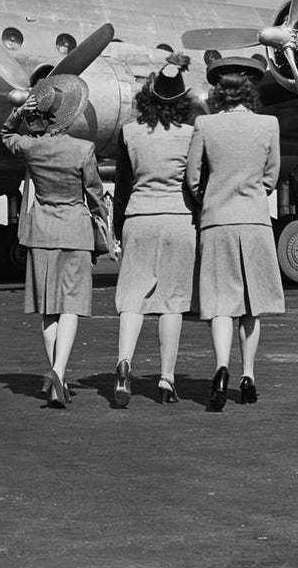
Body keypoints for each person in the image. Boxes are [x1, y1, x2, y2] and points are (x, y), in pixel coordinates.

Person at [0, 76, 110, 410]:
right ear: (65, 116)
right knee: (71, 306)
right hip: (74, 232)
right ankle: (59, 373)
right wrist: (105, 221)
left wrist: (20, 111)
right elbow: (95, 194)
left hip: (42, 233)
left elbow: (6, 135)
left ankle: (55, 380)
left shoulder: (31, 148)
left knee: (48, 309)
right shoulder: (82, 149)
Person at [185, 54, 284, 411]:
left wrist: (211, 198)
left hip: (216, 221)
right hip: (255, 221)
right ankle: (248, 376)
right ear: (251, 88)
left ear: (219, 91)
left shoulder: (205, 126)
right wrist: (255, 195)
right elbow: (272, 175)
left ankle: (221, 367)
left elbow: (194, 178)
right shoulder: (269, 124)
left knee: (220, 305)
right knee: (251, 306)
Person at [112, 53, 198, 407]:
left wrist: (119, 231)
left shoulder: (128, 134)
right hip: (179, 220)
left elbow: (122, 188)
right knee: (172, 303)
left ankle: (123, 365)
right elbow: (196, 183)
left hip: (138, 219)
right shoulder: (192, 135)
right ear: (182, 102)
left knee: (132, 299)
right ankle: (165, 379)